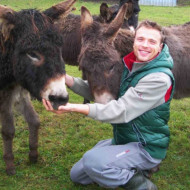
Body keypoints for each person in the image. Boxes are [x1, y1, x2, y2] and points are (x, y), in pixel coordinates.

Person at [43, 20, 175, 190]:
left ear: (160, 45)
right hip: (124, 139)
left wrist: (74, 108)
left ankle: (143, 184)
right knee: (77, 175)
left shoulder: (159, 78)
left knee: (93, 162)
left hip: (145, 146)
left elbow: (121, 110)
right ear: (134, 40)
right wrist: (67, 79)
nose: (145, 45)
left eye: (152, 41)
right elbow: (104, 91)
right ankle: (124, 164)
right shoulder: (129, 65)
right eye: (140, 39)